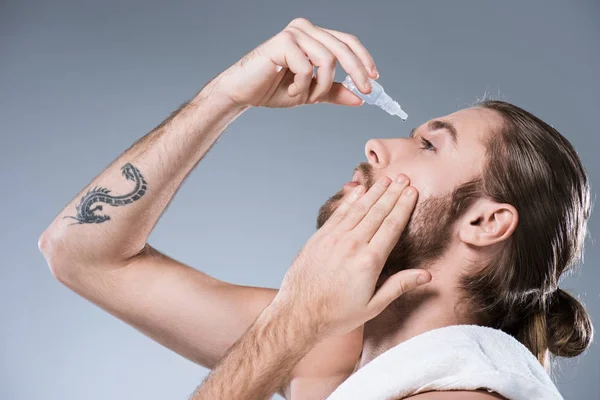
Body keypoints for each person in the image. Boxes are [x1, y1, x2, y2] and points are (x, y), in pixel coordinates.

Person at [38, 17, 593, 400]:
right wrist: (225, 97)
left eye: (429, 145)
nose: (377, 145)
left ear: (484, 222)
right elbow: (79, 252)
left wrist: (295, 320)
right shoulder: (335, 353)